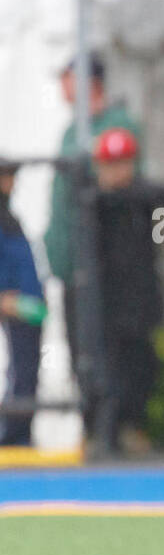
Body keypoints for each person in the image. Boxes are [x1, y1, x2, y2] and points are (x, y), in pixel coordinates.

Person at [78, 128, 163, 453]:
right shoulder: (92, 201)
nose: (116, 171)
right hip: (100, 305)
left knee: (141, 365)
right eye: (109, 164)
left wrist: (128, 190)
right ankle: (101, 433)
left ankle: (131, 428)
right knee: (102, 369)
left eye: (122, 163)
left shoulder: (139, 197)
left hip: (139, 301)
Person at [44, 53, 143, 287]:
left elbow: (120, 181)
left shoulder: (118, 123)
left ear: (90, 83)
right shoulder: (72, 131)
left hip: (104, 264)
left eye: (69, 78)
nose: (63, 85)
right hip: (69, 261)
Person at [0, 157, 46, 446]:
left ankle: (19, 432)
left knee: (27, 367)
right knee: (21, 369)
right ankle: (13, 434)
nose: (12, 182)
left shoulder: (9, 214)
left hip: (27, 302)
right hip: (13, 300)